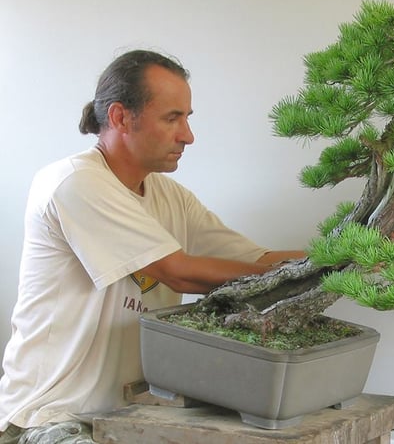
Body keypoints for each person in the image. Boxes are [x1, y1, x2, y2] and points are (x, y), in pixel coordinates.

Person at [0, 50, 304, 443]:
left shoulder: (172, 197)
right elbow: (178, 273)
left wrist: (348, 255)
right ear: (120, 117)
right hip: (49, 419)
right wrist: (296, 276)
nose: (188, 136)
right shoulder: (74, 182)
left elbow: (258, 260)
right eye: (172, 118)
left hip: (128, 418)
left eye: (187, 118)